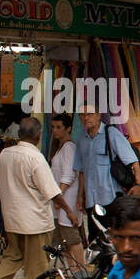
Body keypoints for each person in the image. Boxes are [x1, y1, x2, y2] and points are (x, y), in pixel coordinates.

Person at [0, 118, 78, 279]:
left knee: (13, 256)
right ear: (39, 136)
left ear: (19, 135)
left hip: (12, 219)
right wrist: (69, 211)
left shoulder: (4, 155)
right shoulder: (35, 158)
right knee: (37, 262)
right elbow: (52, 192)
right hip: (35, 221)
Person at [74, 107, 140, 216]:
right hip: (91, 201)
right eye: (82, 115)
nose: (86, 118)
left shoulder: (111, 134)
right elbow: (82, 172)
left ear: (98, 115)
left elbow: (133, 161)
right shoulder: (82, 140)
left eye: (90, 114)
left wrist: (138, 184)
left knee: (114, 231)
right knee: (95, 232)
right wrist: (80, 197)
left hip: (111, 198)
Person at [49, 113, 83, 267]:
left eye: (58, 127)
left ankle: (80, 270)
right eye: (53, 127)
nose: (55, 131)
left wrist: (59, 196)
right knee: (65, 240)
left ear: (68, 129)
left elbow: (69, 175)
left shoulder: (69, 148)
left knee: (72, 237)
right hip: (62, 200)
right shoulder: (61, 148)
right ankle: (74, 272)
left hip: (67, 199)